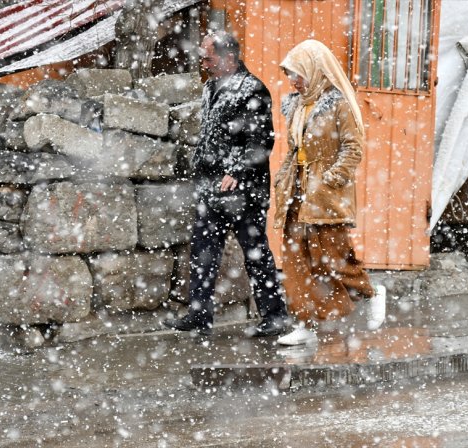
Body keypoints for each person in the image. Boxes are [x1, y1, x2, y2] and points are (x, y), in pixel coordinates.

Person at [163, 31, 288, 337]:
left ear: (229, 57)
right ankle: (199, 314)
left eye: (208, 57)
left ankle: (275, 315)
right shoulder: (209, 87)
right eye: (203, 57)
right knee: (203, 252)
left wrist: (237, 171)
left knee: (255, 253)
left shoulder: (253, 88)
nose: (203, 63)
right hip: (210, 187)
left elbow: (262, 140)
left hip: (244, 191)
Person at [273, 39, 386, 346]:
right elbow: (296, 150)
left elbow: (352, 148)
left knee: (332, 254)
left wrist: (330, 180)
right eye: (289, 74)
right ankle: (304, 322)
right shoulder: (296, 105)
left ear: (315, 70)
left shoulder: (339, 104)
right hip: (296, 191)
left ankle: (369, 292)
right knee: (296, 259)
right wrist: (284, 177)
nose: (293, 80)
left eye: (298, 73)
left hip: (324, 194)